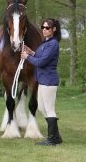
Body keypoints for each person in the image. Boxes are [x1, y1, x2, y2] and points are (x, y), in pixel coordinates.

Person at [21, 18, 62, 146]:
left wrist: (27, 57)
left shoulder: (53, 44)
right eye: (43, 27)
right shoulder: (45, 43)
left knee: (49, 109)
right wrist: (31, 52)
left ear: (54, 29)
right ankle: (56, 136)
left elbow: (42, 62)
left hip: (49, 80)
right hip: (42, 80)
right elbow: (39, 57)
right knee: (41, 107)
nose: (44, 30)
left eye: (47, 28)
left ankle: (52, 139)